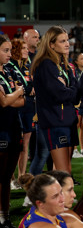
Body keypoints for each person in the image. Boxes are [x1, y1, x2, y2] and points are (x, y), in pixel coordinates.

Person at [31, 26, 79, 174]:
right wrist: (69, 90)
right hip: (55, 122)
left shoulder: (64, 65)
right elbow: (60, 95)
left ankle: (55, 196)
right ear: (51, 44)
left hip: (68, 120)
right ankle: (42, 195)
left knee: (64, 170)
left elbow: (77, 92)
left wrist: (68, 89)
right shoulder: (46, 65)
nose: (67, 44)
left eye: (67, 40)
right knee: (63, 171)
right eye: (62, 41)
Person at [0, 35, 25, 228]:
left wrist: (13, 95)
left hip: (14, 125)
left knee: (7, 176)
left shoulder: (8, 71)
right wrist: (16, 93)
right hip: (1, 128)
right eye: (5, 51)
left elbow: (19, 101)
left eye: (9, 50)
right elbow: (4, 102)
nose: (9, 54)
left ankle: (5, 218)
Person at [8, 38, 34, 186]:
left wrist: (25, 90)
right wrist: (26, 90)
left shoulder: (26, 66)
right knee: (14, 145)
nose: (26, 50)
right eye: (23, 48)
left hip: (29, 107)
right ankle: (10, 177)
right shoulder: (9, 67)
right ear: (16, 50)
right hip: (15, 108)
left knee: (25, 145)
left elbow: (30, 86)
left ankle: (21, 177)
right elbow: (17, 89)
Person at [72, 51, 83, 158]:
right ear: (76, 61)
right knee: (76, 125)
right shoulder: (74, 72)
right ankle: (74, 150)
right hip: (77, 102)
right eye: (81, 58)